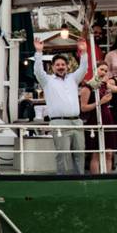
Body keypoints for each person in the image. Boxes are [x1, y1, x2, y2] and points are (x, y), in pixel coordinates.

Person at [33, 37, 89, 175]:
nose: (60, 67)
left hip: (76, 121)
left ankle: (80, 180)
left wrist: (84, 52)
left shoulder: (73, 79)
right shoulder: (47, 81)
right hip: (59, 122)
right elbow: (38, 72)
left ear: (67, 66)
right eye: (57, 65)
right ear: (52, 67)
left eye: (63, 64)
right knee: (62, 155)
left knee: (80, 153)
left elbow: (83, 68)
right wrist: (39, 52)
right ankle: (62, 180)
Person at [80, 61, 117, 174]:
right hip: (94, 120)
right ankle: (96, 179)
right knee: (96, 153)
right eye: (101, 69)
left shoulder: (104, 85)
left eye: (105, 70)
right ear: (95, 70)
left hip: (107, 119)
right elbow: (83, 108)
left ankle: (108, 178)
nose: (103, 72)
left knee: (109, 153)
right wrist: (100, 102)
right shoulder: (87, 87)